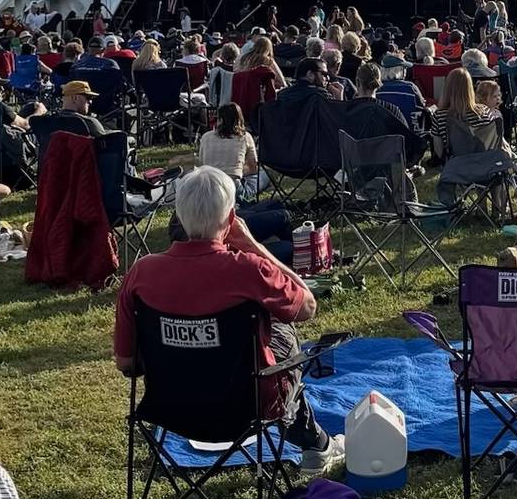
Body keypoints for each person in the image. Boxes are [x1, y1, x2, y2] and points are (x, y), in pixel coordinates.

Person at [114, 167, 345, 475]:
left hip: (169, 408)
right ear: (231, 217)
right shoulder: (249, 269)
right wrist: (253, 245)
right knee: (280, 326)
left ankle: (315, 443)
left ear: (179, 217)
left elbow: (127, 363)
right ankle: (315, 445)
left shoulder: (140, 274)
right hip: (248, 408)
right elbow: (307, 306)